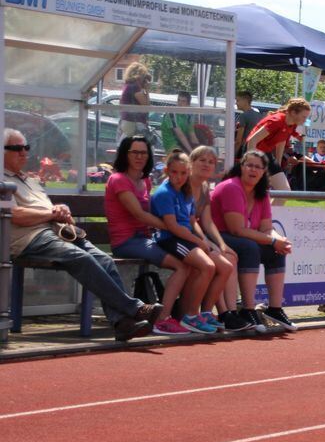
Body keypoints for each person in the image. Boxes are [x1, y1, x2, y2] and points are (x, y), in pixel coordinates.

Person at [5, 128, 159, 340]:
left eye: (26, 148)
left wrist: (60, 208)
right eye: (16, 148)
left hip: (59, 233)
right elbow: (14, 215)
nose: (23, 153)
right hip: (30, 239)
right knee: (81, 258)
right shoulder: (3, 181)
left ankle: (122, 323)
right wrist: (51, 213)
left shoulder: (30, 180)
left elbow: (45, 209)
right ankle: (135, 308)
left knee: (104, 260)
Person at [104, 136, 189, 334]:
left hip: (145, 239)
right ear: (125, 154)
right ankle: (162, 319)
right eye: (134, 152)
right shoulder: (118, 180)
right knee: (181, 266)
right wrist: (172, 228)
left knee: (191, 260)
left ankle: (185, 315)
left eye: (143, 152)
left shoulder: (145, 180)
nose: (139, 156)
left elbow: (151, 213)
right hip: (126, 241)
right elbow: (139, 214)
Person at [209, 150, 296, 332]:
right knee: (250, 247)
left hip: (241, 238)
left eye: (258, 167)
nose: (253, 170)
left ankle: (275, 309)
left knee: (276, 251)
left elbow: (266, 228)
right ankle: (248, 309)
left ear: (264, 171)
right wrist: (272, 241)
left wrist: (278, 240)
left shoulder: (261, 193)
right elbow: (236, 229)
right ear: (241, 167)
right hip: (218, 236)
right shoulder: (231, 187)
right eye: (249, 165)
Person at [150, 152, 233, 334]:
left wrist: (204, 241)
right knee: (207, 267)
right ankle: (191, 315)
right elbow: (172, 227)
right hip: (171, 240)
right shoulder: (165, 193)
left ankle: (204, 313)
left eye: (183, 173)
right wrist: (198, 241)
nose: (178, 177)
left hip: (187, 239)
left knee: (225, 267)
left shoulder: (185, 191)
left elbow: (191, 219)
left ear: (188, 172)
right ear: (166, 171)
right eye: (174, 172)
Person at [187, 146, 248, 331]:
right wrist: (206, 243)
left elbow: (207, 221)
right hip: (183, 235)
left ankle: (225, 312)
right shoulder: (184, 183)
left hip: (195, 235)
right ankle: (219, 313)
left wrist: (221, 244)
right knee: (219, 263)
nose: (206, 164)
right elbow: (189, 221)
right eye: (202, 160)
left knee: (230, 256)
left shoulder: (205, 187)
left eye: (211, 162)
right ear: (192, 162)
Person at [245, 98, 311, 193]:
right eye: (304, 117)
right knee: (256, 192)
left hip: (266, 154)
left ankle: (270, 208)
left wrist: (278, 165)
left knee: (285, 191)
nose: (305, 120)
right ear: (293, 112)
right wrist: (251, 163)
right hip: (252, 151)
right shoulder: (276, 121)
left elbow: (281, 142)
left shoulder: (291, 124)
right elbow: (252, 140)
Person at [117, 62, 151, 142]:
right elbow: (146, 105)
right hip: (132, 123)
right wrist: (147, 90)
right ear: (139, 75)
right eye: (143, 76)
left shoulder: (128, 85)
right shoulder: (134, 86)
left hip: (128, 121)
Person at [234, 91, 265, 159]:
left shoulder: (243, 116)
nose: (236, 103)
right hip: (257, 151)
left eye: (238, 100)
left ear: (245, 101)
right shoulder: (259, 116)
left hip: (245, 151)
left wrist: (233, 155)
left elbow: (239, 140)